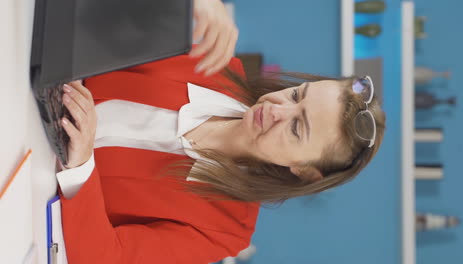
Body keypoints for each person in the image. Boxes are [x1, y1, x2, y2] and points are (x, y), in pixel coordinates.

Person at [56, 0, 386, 263]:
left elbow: (107, 257)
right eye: (296, 95)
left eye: (297, 127)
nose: (276, 109)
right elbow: (101, 20)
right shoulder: (216, 65)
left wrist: (82, 166)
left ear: (305, 171)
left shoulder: (225, 230)